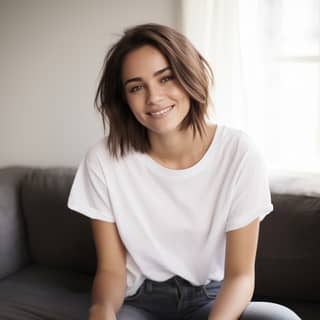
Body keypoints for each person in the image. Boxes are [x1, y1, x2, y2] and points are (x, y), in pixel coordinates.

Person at [67, 23, 301, 320]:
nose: (153, 97)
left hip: (212, 299)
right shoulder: (103, 160)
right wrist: (101, 311)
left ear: (190, 75)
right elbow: (111, 269)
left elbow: (241, 276)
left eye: (166, 78)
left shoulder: (239, 153)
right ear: (124, 99)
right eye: (137, 87)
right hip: (139, 302)